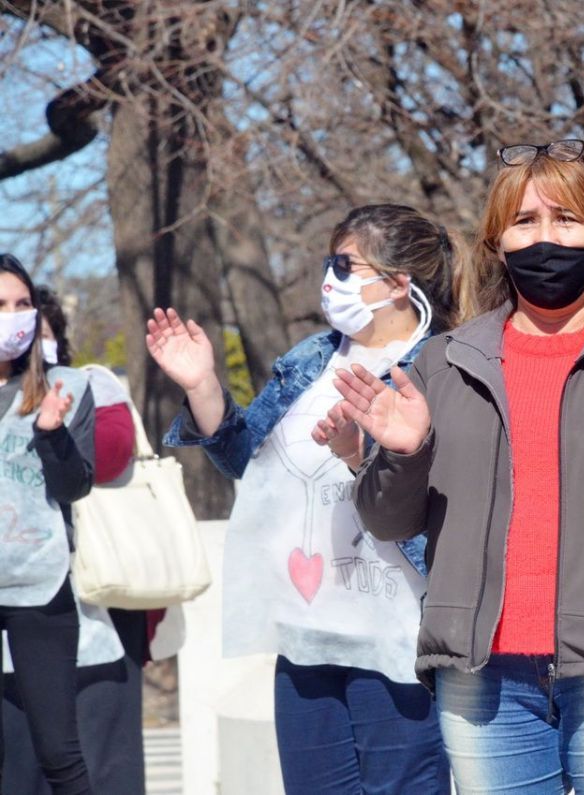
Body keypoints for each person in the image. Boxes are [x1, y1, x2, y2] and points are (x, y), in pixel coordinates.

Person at [327, 139, 584, 794]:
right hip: (482, 681)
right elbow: (385, 519)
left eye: (566, 219)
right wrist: (403, 453)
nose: (546, 238)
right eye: (525, 221)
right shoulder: (444, 362)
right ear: (498, 243)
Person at [149, 205, 456, 793]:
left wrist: (362, 452)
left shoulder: (444, 365)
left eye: (344, 265)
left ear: (398, 283)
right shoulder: (313, 357)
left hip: (400, 637)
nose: (328, 279)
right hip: (307, 634)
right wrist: (202, 386)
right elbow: (247, 458)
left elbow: (447, 495)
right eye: (327, 263)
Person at [2, 286, 145, 794]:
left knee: (83, 765)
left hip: (87, 612)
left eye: (31, 321)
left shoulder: (83, 387)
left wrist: (53, 431)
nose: (17, 330)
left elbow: (103, 461)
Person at [0, 255, 95, 794]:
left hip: (40, 584)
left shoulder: (67, 386)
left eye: (21, 305)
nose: (12, 317)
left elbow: (73, 487)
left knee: (59, 752)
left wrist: (51, 433)